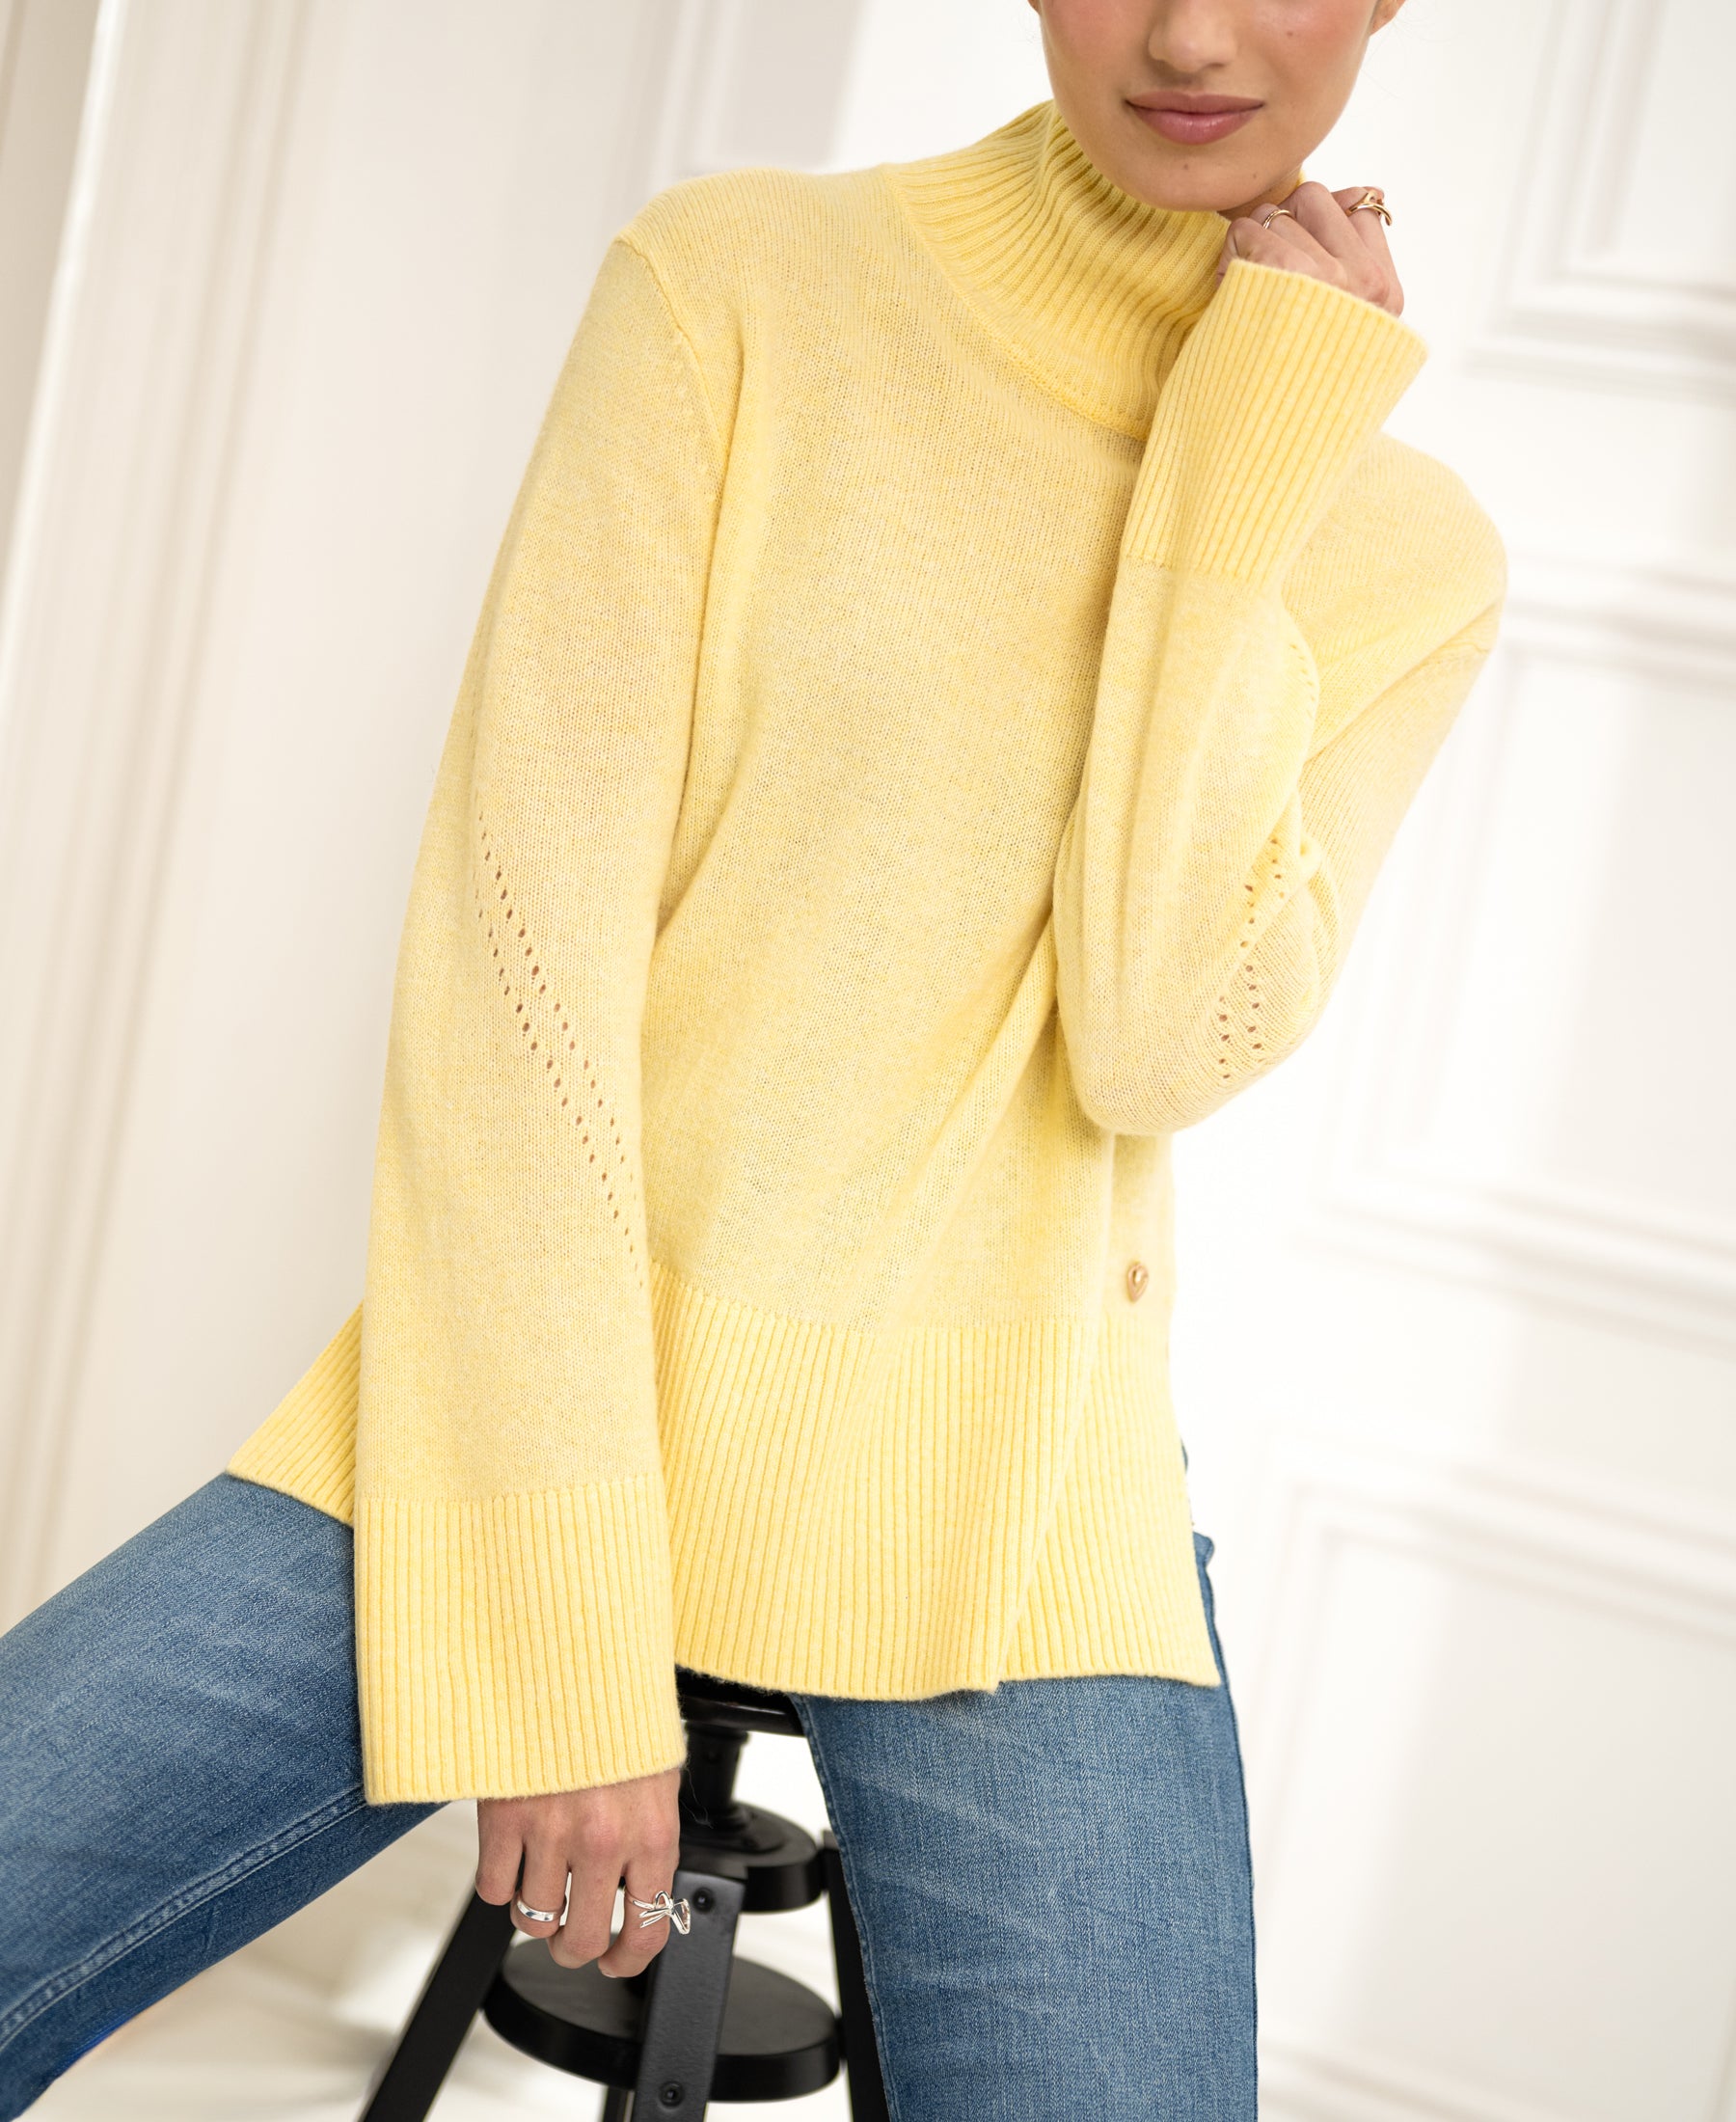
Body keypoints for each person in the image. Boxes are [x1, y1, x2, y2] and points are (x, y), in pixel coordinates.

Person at [0, 0, 1505, 2113]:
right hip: (527, 1395)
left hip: (1005, 1493)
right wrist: (554, 1628)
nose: (1184, 32)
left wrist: (1249, 448)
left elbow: (1160, 1038)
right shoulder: (743, 290)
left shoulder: (1395, 537)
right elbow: (516, 978)